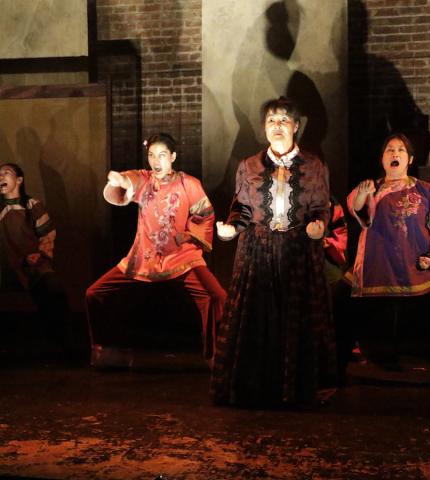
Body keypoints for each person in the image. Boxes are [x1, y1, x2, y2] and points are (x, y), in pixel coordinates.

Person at [212, 97, 336, 408]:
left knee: (296, 319)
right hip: (258, 251)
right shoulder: (249, 165)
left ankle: (296, 389)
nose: (276, 126)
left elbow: (321, 207)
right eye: (270, 121)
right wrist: (231, 228)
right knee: (256, 317)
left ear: (297, 126)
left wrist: (318, 225)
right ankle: (256, 388)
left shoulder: (315, 166)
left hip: (297, 252)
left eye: (283, 121)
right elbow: (240, 208)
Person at [335, 133, 430, 389]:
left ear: (409, 159)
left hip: (416, 271)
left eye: (400, 150)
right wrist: (363, 199)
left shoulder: (424, 190)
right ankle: (331, 374)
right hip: (376, 269)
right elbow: (361, 213)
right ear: (383, 159)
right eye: (389, 150)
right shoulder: (371, 188)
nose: (394, 153)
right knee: (338, 307)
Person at [85, 133, 226, 368]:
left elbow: (205, 215)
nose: (156, 161)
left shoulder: (188, 184)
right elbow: (131, 181)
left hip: (182, 257)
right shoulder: (145, 180)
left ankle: (215, 356)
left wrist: (188, 237)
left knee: (216, 296)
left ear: (173, 157)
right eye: (151, 155)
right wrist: (119, 180)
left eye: (162, 155)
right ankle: (105, 350)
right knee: (95, 293)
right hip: (144, 258)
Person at [0, 163, 70, 355]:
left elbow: (48, 234)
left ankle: (60, 343)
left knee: (52, 289)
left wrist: (39, 255)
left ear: (19, 180)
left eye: (6, 173)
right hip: (7, 263)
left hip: (33, 261)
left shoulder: (32, 205)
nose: (1, 177)